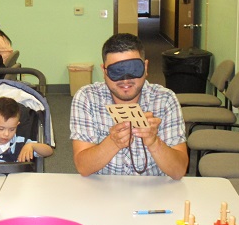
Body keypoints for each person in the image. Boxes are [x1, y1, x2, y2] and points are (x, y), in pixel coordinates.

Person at [70, 33, 188, 180]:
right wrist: (113, 142)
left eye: (133, 69)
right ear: (104, 71)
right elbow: (83, 167)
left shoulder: (165, 99)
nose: (125, 80)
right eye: (116, 71)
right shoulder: (87, 98)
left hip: (153, 192)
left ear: (145, 67)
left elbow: (179, 171)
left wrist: (154, 142)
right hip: (102, 191)